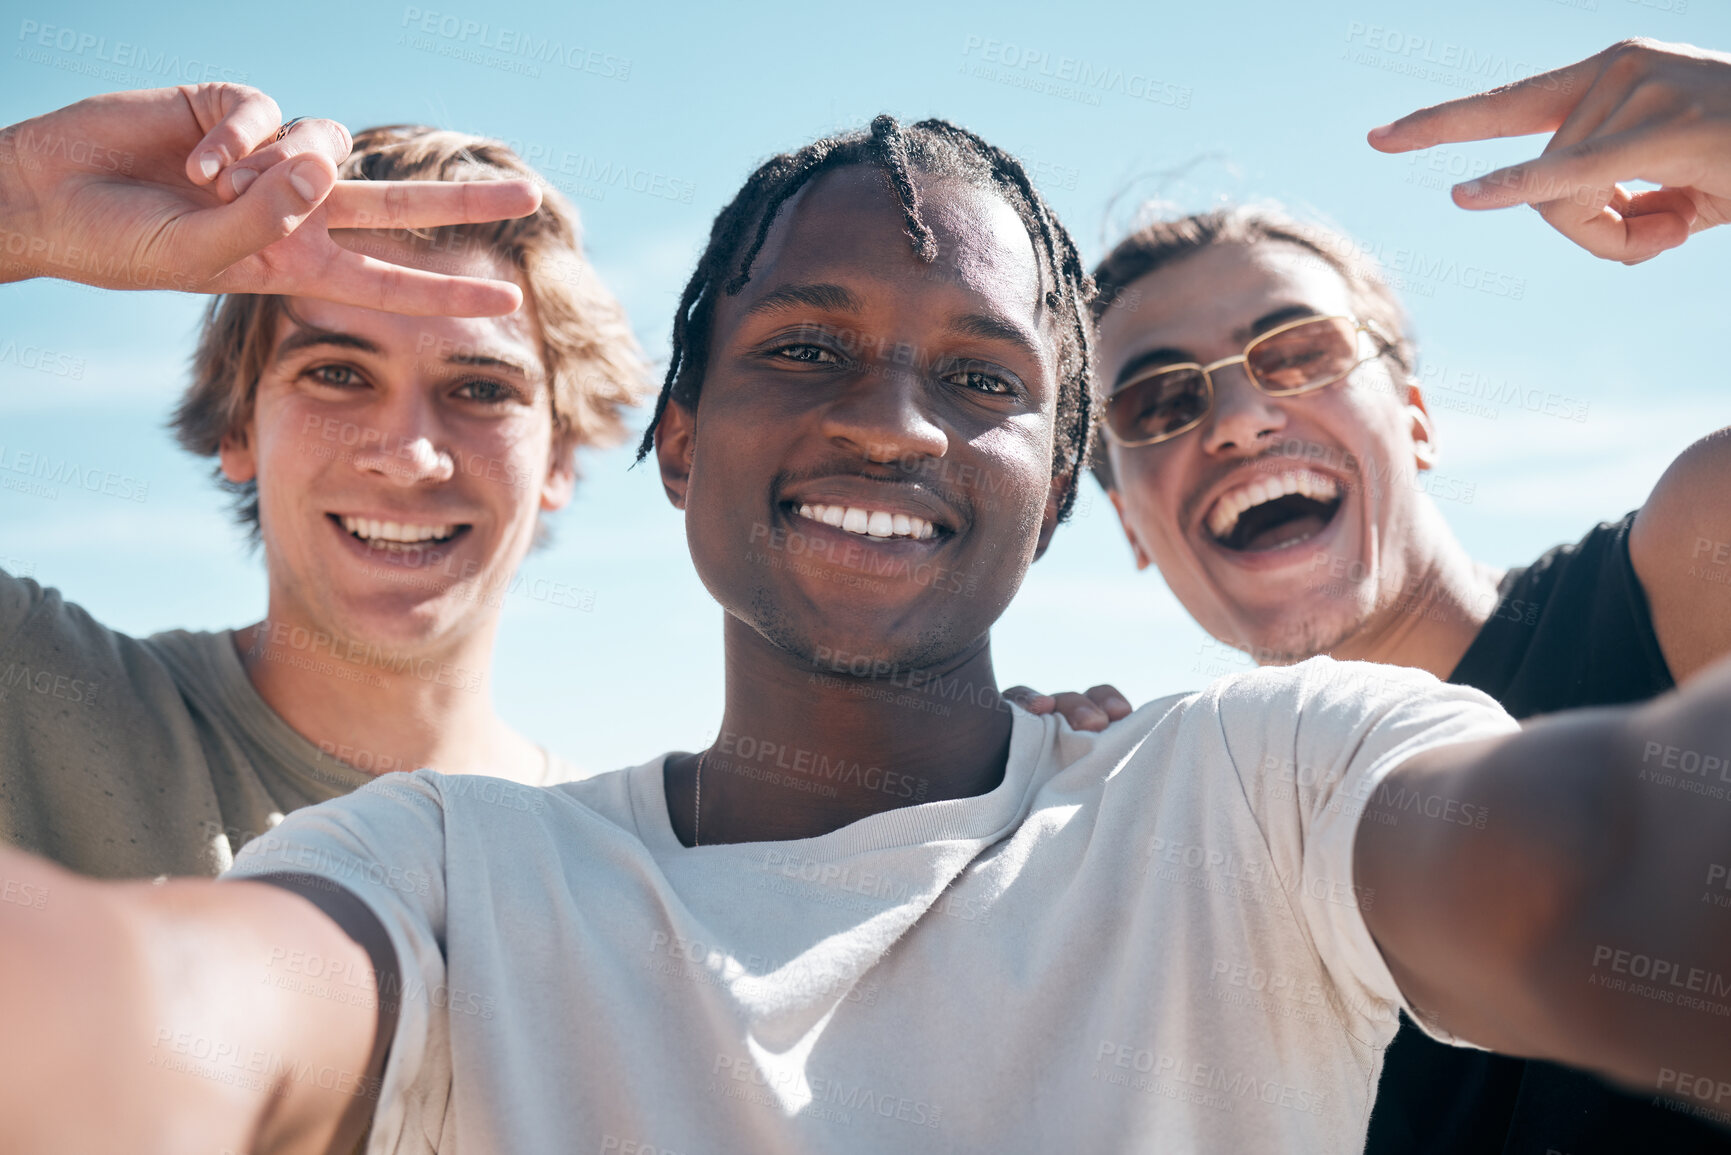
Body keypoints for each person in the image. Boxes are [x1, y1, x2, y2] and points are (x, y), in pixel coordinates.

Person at [3, 109, 1730, 1155]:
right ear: (676, 441)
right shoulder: (447, 871)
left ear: (1056, 495)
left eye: (980, 379)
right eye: (803, 350)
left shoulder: (1265, 785)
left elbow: (1598, 883)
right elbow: (155, 1020)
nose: (893, 423)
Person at [1087, 38, 1731, 1152]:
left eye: (1295, 351)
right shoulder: (1185, 876)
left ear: (1417, 416)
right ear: (1132, 525)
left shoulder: (1686, 570)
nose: (1239, 419)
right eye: (1157, 404)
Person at [0, 83, 645, 879]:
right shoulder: (36, 704)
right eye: (337, 373)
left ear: (559, 456)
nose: (408, 455)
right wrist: (18, 205)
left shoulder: (624, 873)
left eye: (481, 389)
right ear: (238, 426)